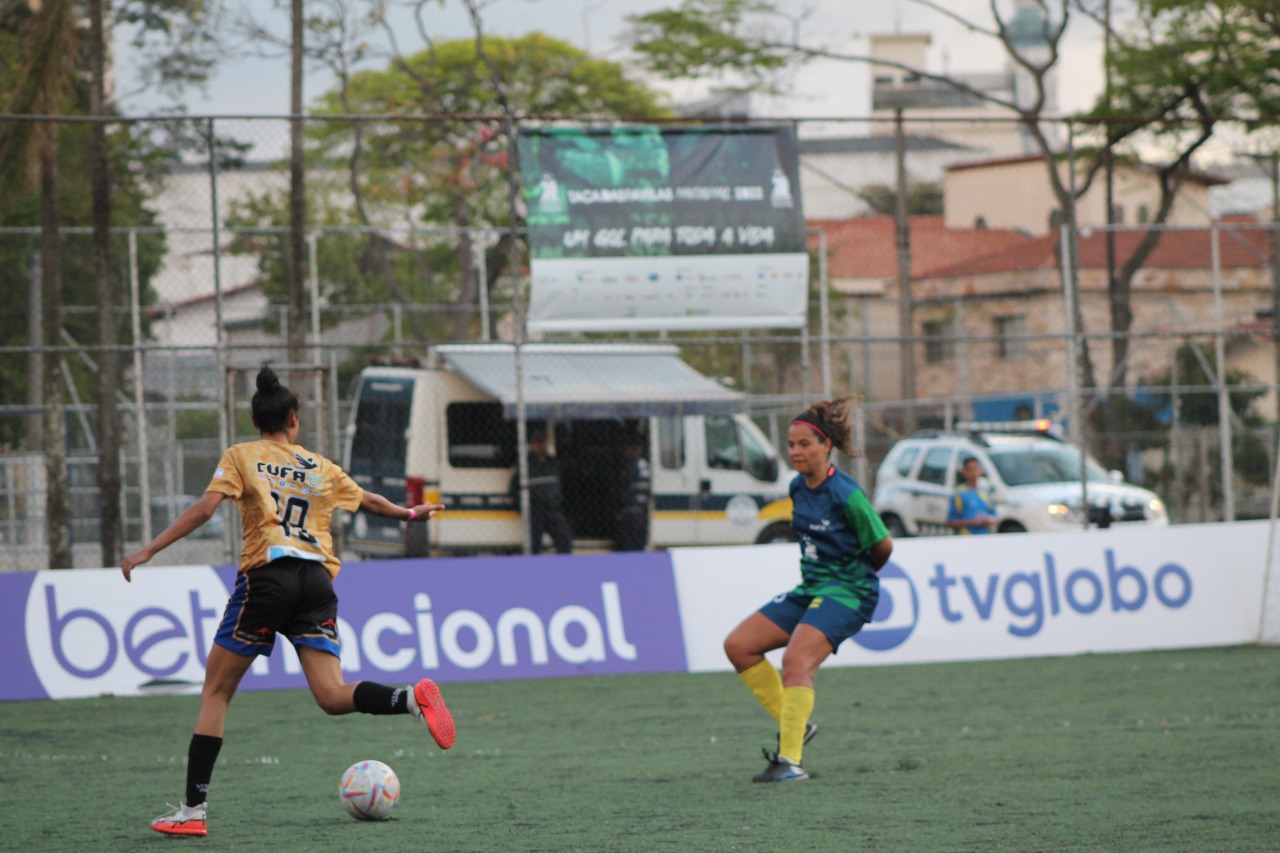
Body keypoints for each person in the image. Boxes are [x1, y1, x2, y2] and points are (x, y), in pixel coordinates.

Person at [120, 364, 454, 838]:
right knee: (332, 696)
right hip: (316, 581)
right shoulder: (319, 466)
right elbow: (369, 500)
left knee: (216, 693)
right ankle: (410, 701)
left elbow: (204, 509)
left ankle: (192, 812)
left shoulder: (242, 455)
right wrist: (408, 513)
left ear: (257, 422)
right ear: (293, 420)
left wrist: (149, 549)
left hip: (269, 578)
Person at [723, 397, 893, 783]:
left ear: (825, 446)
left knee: (796, 660)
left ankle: (790, 761)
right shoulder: (798, 487)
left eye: (804, 444)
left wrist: (854, 580)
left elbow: (882, 546)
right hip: (811, 590)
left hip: (849, 592)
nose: (795, 452)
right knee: (739, 646)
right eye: (791, 444)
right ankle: (800, 725)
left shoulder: (847, 494)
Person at [510, 429, 572, 554]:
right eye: (535, 443)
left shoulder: (552, 462)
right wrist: (521, 507)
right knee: (534, 544)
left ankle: (565, 567)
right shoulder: (525, 464)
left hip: (553, 509)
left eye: (541, 442)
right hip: (535, 510)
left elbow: (560, 484)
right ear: (531, 445)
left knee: (564, 539)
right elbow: (513, 488)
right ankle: (535, 569)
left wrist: (558, 499)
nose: (538, 445)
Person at [615, 438, 651, 551]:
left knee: (628, 543)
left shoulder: (630, 467)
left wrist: (620, 510)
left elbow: (625, 490)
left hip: (631, 510)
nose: (624, 453)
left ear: (633, 450)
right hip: (642, 510)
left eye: (627, 450)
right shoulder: (646, 465)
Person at [947, 456, 997, 535]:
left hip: (984, 537)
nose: (973, 472)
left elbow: (993, 515)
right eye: (970, 470)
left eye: (976, 469)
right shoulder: (959, 493)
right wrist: (971, 522)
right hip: (966, 537)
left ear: (980, 471)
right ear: (964, 472)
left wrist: (988, 520)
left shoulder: (985, 491)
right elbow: (950, 522)